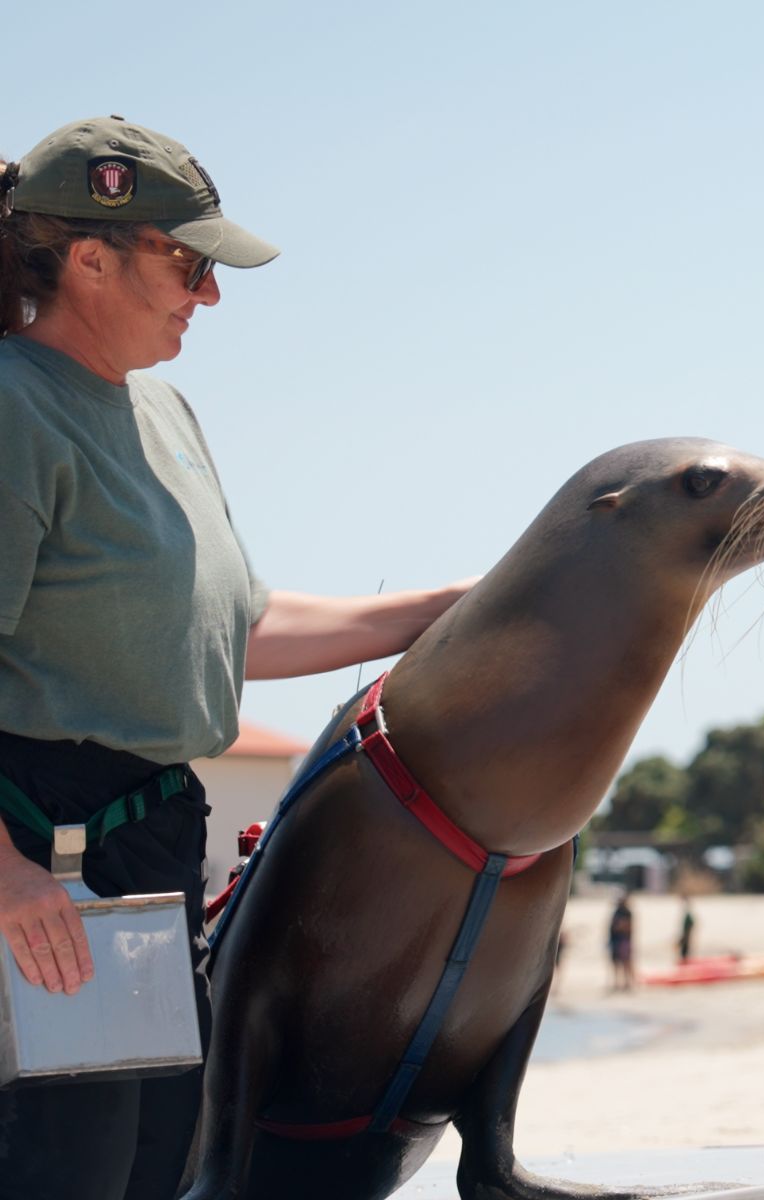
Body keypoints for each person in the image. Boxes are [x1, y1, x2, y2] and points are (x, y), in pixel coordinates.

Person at [0, 116, 473, 1200]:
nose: (207, 295)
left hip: (149, 855)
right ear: (89, 259)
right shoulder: (13, 407)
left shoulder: (164, 410)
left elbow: (235, 628)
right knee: (64, 1171)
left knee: (159, 1165)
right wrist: (8, 878)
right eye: (189, 262)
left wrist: (451, 608)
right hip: (42, 864)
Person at [608, 889, 635, 992]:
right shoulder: (617, 912)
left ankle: (627, 983)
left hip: (624, 940)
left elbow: (627, 926)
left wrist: (618, 926)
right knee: (615, 962)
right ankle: (617, 983)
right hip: (615, 940)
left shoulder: (627, 912)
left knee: (625, 962)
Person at [676, 894, 696, 964]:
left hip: (686, 939)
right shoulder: (687, 914)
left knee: (685, 952)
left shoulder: (688, 914)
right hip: (685, 938)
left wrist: (684, 938)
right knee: (684, 952)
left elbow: (690, 925)